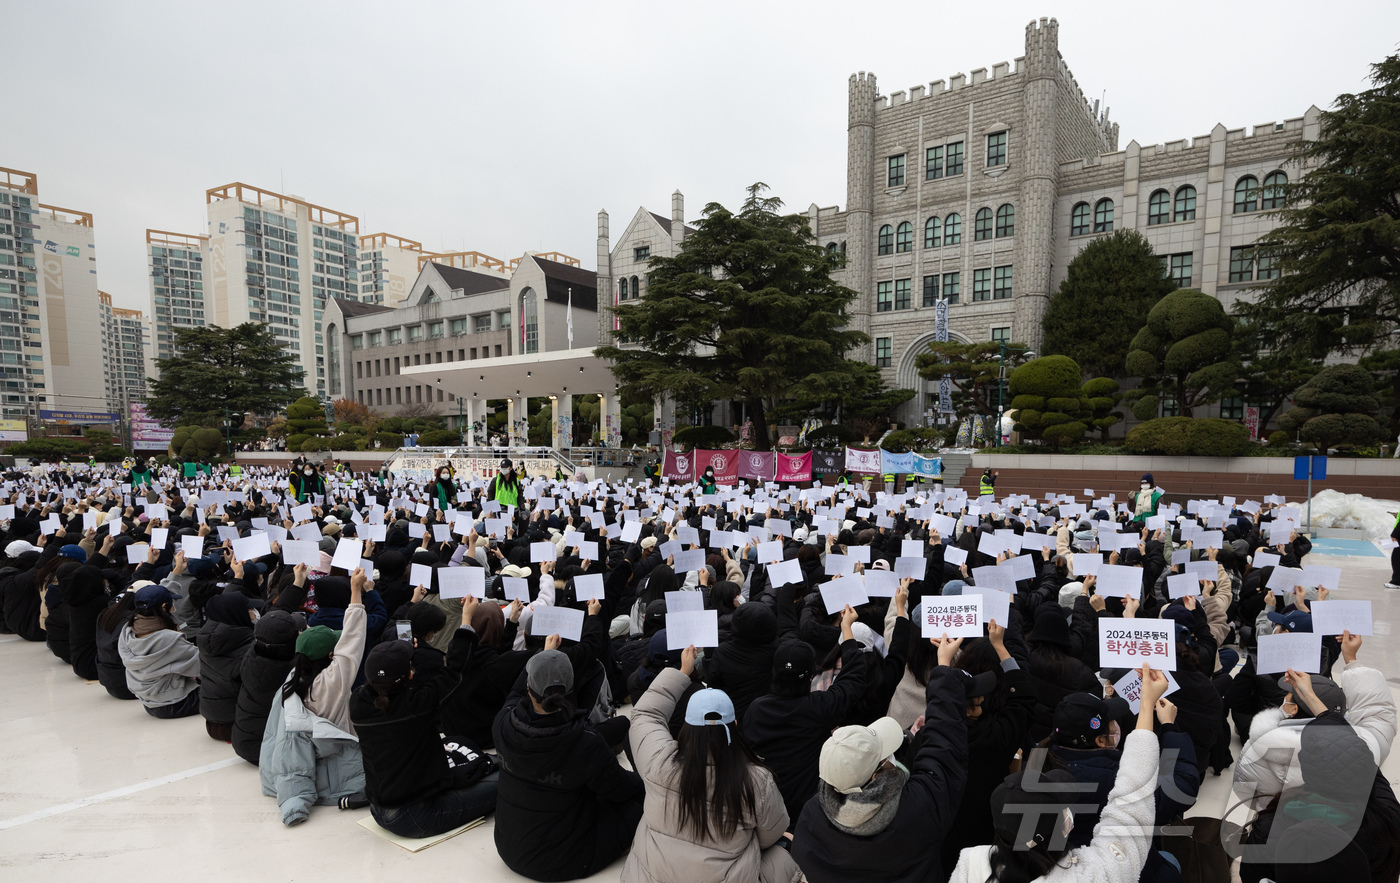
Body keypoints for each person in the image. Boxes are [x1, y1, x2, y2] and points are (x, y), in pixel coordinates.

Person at [948, 665, 1171, 883]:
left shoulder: (971, 865)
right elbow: (1131, 810)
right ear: (1064, 829)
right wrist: (1148, 708)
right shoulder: (1094, 874)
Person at [791, 634, 970, 883]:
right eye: (885, 757)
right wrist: (943, 671)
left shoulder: (813, 816)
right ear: (875, 775)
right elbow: (944, 749)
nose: (891, 759)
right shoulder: (916, 809)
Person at [623, 647, 801, 883]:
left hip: (650, 877)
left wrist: (683, 672)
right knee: (785, 854)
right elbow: (771, 835)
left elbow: (645, 714)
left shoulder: (659, 760)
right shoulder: (757, 780)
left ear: (686, 726)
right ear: (734, 724)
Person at [351, 597, 501, 840]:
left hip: (379, 808)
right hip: (416, 815)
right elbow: (454, 672)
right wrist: (465, 621)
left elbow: (392, 686)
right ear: (410, 675)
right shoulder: (417, 706)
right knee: (508, 777)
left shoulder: (358, 701)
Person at [493, 646, 645, 880]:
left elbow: (515, 690)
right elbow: (625, 789)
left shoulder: (503, 723)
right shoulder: (585, 743)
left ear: (528, 688)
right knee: (640, 802)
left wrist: (544, 655)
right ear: (571, 688)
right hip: (564, 860)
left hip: (508, 848)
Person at [1234, 632, 1397, 811]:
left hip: (1280, 826)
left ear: (1294, 709)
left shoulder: (1259, 747)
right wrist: (1351, 659)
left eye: (1289, 695)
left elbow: (1247, 793)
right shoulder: (1364, 748)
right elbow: (1378, 710)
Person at [259, 569, 369, 825]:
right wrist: (356, 591)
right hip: (337, 774)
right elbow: (353, 637)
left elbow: (286, 746)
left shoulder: (292, 681)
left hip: (312, 765)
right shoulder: (332, 683)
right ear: (330, 656)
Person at [744, 607, 868, 829]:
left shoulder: (755, 710)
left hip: (765, 806)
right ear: (811, 676)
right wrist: (846, 629)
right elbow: (854, 677)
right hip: (806, 811)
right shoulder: (818, 708)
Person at [117, 583, 201, 718]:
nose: (174, 606)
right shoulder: (169, 639)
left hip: (149, 703)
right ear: (164, 606)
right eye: (171, 602)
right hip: (177, 702)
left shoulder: (127, 632)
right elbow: (202, 667)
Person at [196, 592, 257, 741]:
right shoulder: (247, 645)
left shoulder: (207, 639)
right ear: (238, 614)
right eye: (250, 609)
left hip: (212, 722)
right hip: (238, 724)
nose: (254, 612)